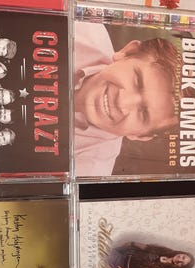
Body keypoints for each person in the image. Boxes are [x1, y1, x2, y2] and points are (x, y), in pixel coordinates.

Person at [73, 21, 182, 176]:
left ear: (139, 135)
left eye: (143, 113)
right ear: (127, 52)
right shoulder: (79, 27)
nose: (122, 103)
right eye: (137, 81)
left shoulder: (87, 173)